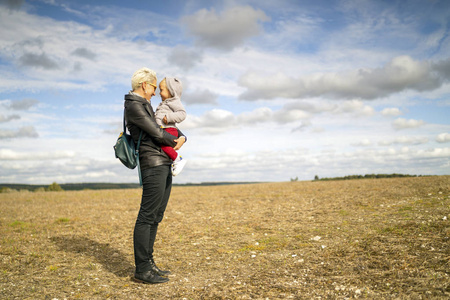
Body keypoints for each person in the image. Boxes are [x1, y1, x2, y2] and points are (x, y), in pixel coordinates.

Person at [124, 67, 186, 284]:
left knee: (156, 215)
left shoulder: (145, 104)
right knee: (147, 216)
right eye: (153, 87)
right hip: (152, 162)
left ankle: (149, 263)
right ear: (145, 85)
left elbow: (166, 126)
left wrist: (183, 137)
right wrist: (175, 141)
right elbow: (156, 131)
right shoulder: (134, 105)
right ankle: (142, 269)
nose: (155, 92)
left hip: (163, 161)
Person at [155, 77, 187, 176]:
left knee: (162, 145)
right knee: (163, 147)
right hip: (165, 129)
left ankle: (178, 159)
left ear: (170, 91)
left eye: (161, 90)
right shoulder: (166, 103)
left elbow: (182, 114)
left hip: (169, 129)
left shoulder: (174, 101)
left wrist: (168, 117)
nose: (159, 93)